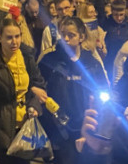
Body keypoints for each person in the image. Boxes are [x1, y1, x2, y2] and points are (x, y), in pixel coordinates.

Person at [0, 17, 49, 164]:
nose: (14, 42)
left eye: (17, 36)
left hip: (25, 127)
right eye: (9, 37)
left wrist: (34, 104)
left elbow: (39, 84)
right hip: (0, 126)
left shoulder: (27, 56)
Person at [38, 16, 109, 164]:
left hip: (85, 127)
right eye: (63, 34)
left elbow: (103, 90)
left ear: (81, 37)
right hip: (58, 128)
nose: (66, 39)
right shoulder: (50, 60)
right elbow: (38, 85)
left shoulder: (92, 63)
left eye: (71, 35)